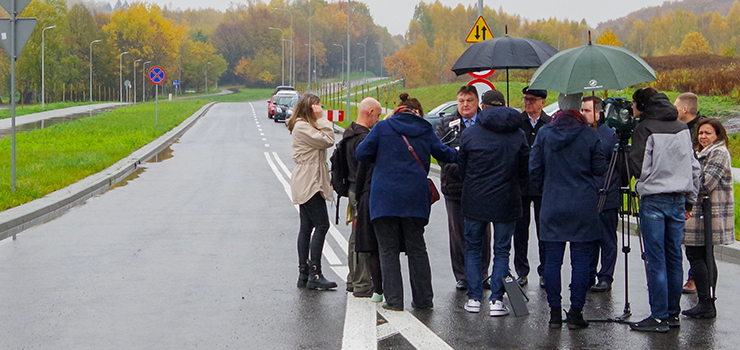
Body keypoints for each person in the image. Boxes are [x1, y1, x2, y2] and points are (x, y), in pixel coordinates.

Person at [356, 93, 457, 311]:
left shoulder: (383, 128)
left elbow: (361, 152)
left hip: (384, 199)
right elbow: (447, 154)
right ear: (415, 112)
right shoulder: (425, 129)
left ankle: (393, 301)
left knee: (388, 250)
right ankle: (423, 300)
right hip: (415, 198)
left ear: (397, 110)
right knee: (417, 249)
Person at [530, 96, 607, 330]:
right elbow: (599, 169)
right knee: (581, 262)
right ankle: (576, 312)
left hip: (552, 203)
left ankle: (554, 313)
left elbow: (534, 170)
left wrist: (547, 185)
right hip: (583, 204)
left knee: (552, 261)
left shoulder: (544, 134)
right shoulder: (590, 134)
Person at [627, 87, 700, 333]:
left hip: (655, 198)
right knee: (674, 257)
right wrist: (690, 199)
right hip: (678, 198)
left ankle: (657, 316)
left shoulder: (644, 129)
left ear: (642, 106)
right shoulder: (681, 127)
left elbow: (639, 167)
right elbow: (693, 167)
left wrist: (644, 180)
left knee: (655, 259)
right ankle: (672, 314)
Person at [458, 89, 529, 316]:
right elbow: (524, 169)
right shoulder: (518, 135)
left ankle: (474, 299)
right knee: (502, 250)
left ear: (483, 107)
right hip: (507, 199)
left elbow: (462, 168)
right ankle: (497, 301)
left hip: (475, 200)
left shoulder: (470, 134)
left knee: (473, 249)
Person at [435, 85, 491, 291]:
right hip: (454, 186)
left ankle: (482, 273)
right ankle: (462, 275)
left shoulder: (486, 124)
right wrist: (464, 164)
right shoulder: (447, 125)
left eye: (469, 100)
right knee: (458, 232)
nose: (465, 105)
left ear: (478, 103)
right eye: (461, 101)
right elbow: (442, 155)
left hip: (482, 188)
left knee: (482, 232)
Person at [682, 118, 735, 319]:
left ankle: (706, 302)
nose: (703, 137)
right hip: (701, 212)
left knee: (699, 256)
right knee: (701, 255)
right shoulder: (702, 152)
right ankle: (706, 301)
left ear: (718, 135)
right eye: (701, 133)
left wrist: (684, 178)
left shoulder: (718, 153)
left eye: (708, 133)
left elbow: (705, 183)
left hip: (708, 213)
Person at [287, 93, 337, 290]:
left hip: (309, 178)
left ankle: (304, 274)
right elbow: (327, 140)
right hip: (309, 181)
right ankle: (314, 273)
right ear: (310, 108)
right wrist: (322, 119)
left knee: (307, 226)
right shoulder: (302, 126)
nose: (320, 108)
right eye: (317, 106)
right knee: (322, 225)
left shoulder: (303, 125)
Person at [343, 97, 383, 298]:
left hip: (351, 189)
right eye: (378, 115)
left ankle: (352, 279)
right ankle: (362, 282)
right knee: (363, 238)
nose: (378, 119)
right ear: (370, 113)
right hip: (362, 190)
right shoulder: (365, 138)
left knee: (355, 237)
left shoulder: (348, 133)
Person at [581, 96, 620, 293]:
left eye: (587, 110)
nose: (583, 114)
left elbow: (619, 165)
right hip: (585, 194)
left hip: (607, 192)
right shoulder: (580, 132)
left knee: (607, 238)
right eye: (582, 110)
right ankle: (587, 273)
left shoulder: (610, 135)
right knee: (587, 239)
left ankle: (606, 275)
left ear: (598, 112)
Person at [514, 86, 551, 288]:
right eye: (525, 99)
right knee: (520, 231)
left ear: (542, 102)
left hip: (542, 185)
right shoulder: (518, 123)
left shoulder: (549, 124)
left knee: (543, 229)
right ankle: (521, 270)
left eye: (532, 99)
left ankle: (545, 271)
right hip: (520, 183)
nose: (528, 103)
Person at [674, 92, 705, 294]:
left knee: (697, 246)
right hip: (686, 187)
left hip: (698, 192)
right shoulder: (680, 128)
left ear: (685, 109)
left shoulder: (701, 128)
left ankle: (696, 281)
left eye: (676, 106)